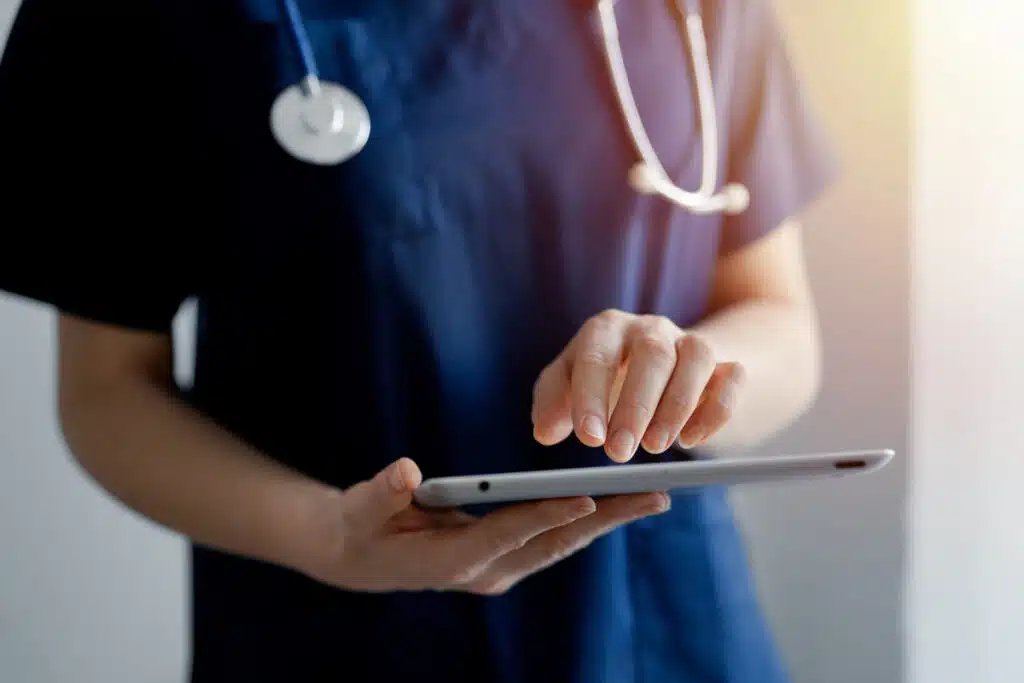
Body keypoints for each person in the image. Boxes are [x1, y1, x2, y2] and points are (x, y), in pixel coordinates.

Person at [0, 0, 836, 681]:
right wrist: (324, 532)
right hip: (333, 635)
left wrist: (688, 379)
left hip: (667, 628)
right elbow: (106, 390)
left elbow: (776, 319)